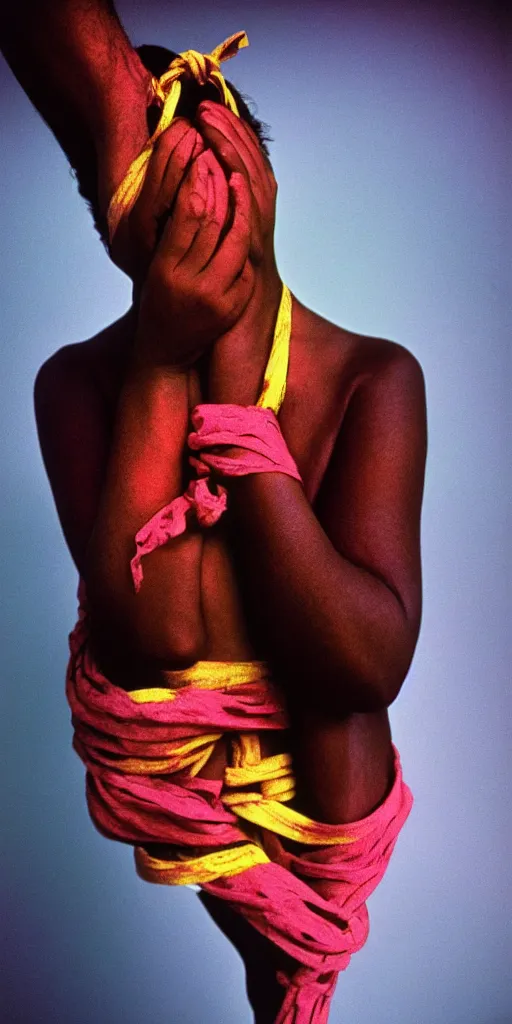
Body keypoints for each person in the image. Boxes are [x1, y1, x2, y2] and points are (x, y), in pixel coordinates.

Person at [1, 3, 428, 1021]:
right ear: (113, 222)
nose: (198, 206)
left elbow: (364, 665)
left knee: (330, 689)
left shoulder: (372, 376)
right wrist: (161, 362)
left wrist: (236, 399)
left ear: (263, 186)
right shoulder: (74, 385)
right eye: (165, 185)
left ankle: (290, 968)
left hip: (328, 782)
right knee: (198, 641)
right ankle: (276, 967)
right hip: (182, 773)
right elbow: (154, 638)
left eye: (218, 169)